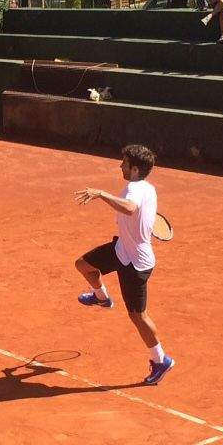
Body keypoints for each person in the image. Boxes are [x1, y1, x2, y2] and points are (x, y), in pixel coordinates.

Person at [74, 144, 174, 386]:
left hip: (136, 264)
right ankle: (101, 298)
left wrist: (101, 194)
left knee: (138, 317)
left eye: (125, 163)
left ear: (135, 169)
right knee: (83, 265)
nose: (121, 166)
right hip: (121, 251)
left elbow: (129, 208)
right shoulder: (147, 188)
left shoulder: (135, 188)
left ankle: (161, 360)